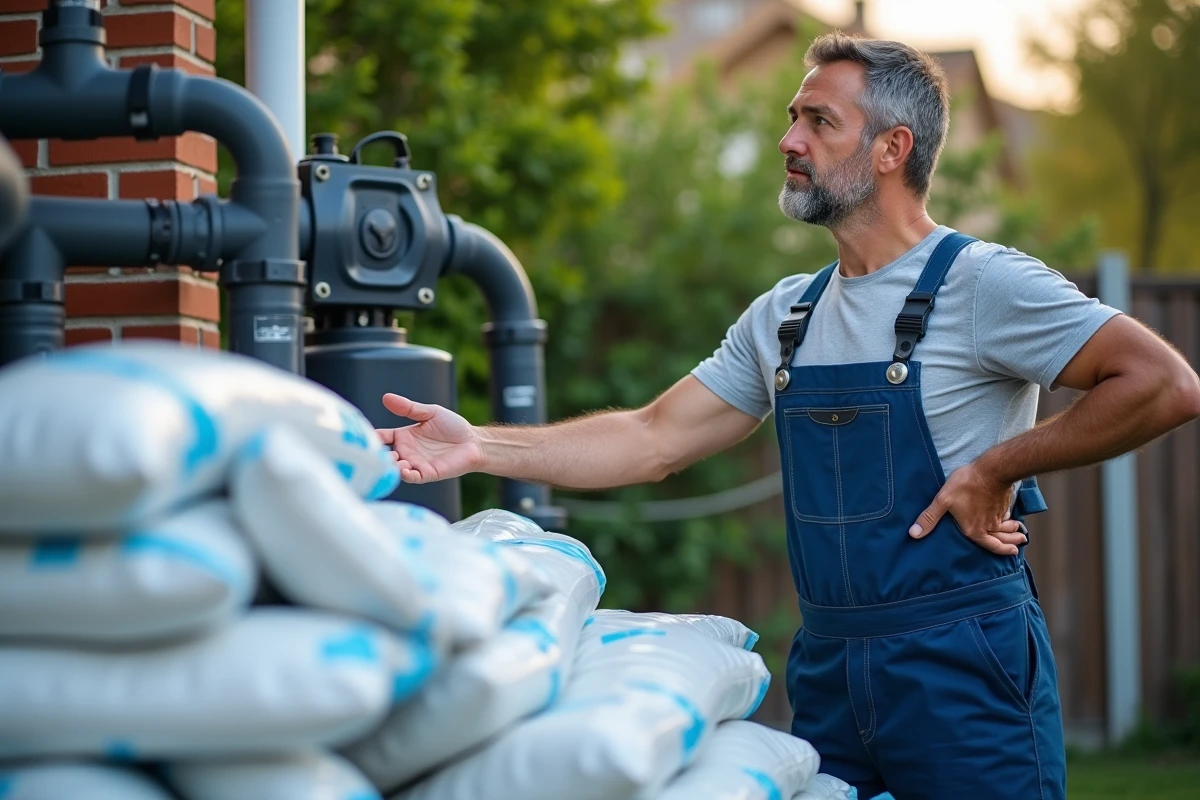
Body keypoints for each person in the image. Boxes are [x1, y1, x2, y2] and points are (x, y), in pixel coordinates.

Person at [375, 33, 1200, 800]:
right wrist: (481, 445)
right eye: (791, 118)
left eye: (818, 120)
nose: (789, 140)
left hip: (962, 666)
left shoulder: (983, 284)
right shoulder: (786, 316)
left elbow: (1163, 383)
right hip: (831, 671)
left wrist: (999, 466)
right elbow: (653, 437)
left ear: (891, 149)